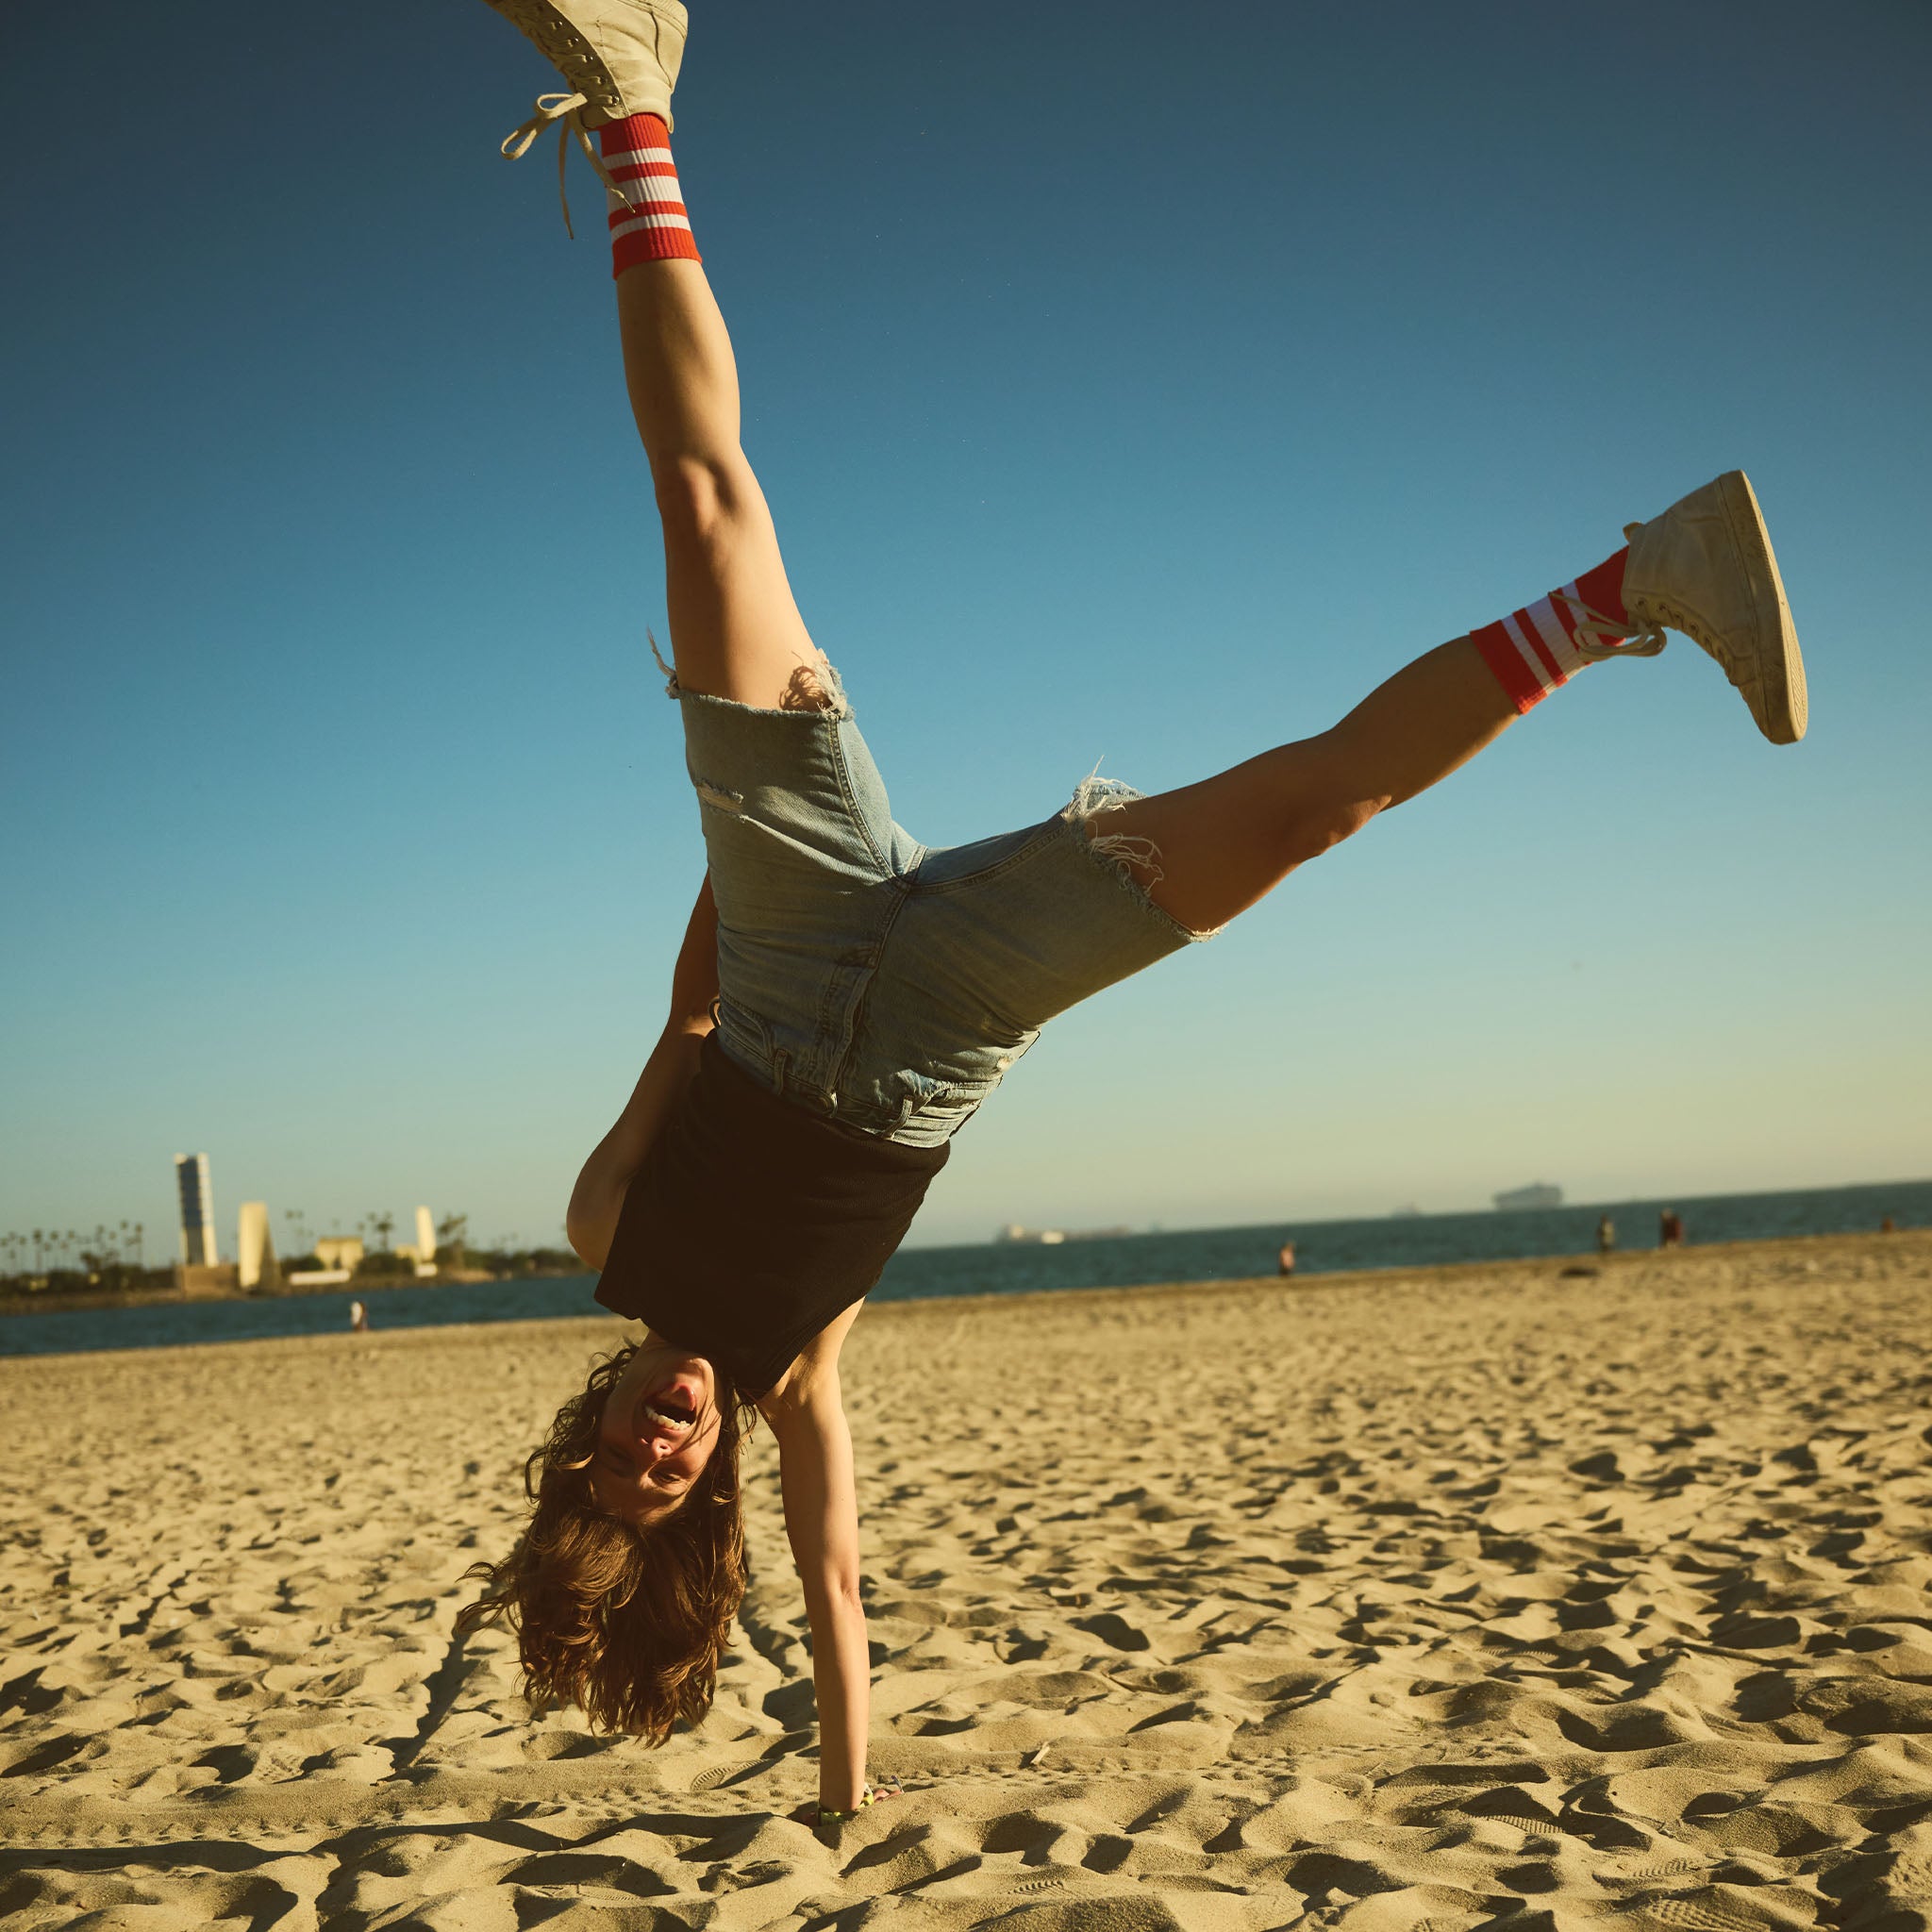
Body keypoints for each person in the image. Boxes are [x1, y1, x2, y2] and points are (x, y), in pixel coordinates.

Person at [455, 0, 1808, 1829]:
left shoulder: (601, 1219)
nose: (652, 1444)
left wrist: (757, 811)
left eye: (612, 1450)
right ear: (696, 1490)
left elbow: (689, 1021)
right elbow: (838, 1585)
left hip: (789, 936)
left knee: (705, 516)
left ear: (593, 1418)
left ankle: (633, 93)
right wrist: (848, 1801)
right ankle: (1639, 579)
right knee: (1308, 812)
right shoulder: (792, 1375)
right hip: (949, 1010)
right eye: (660, 1484)